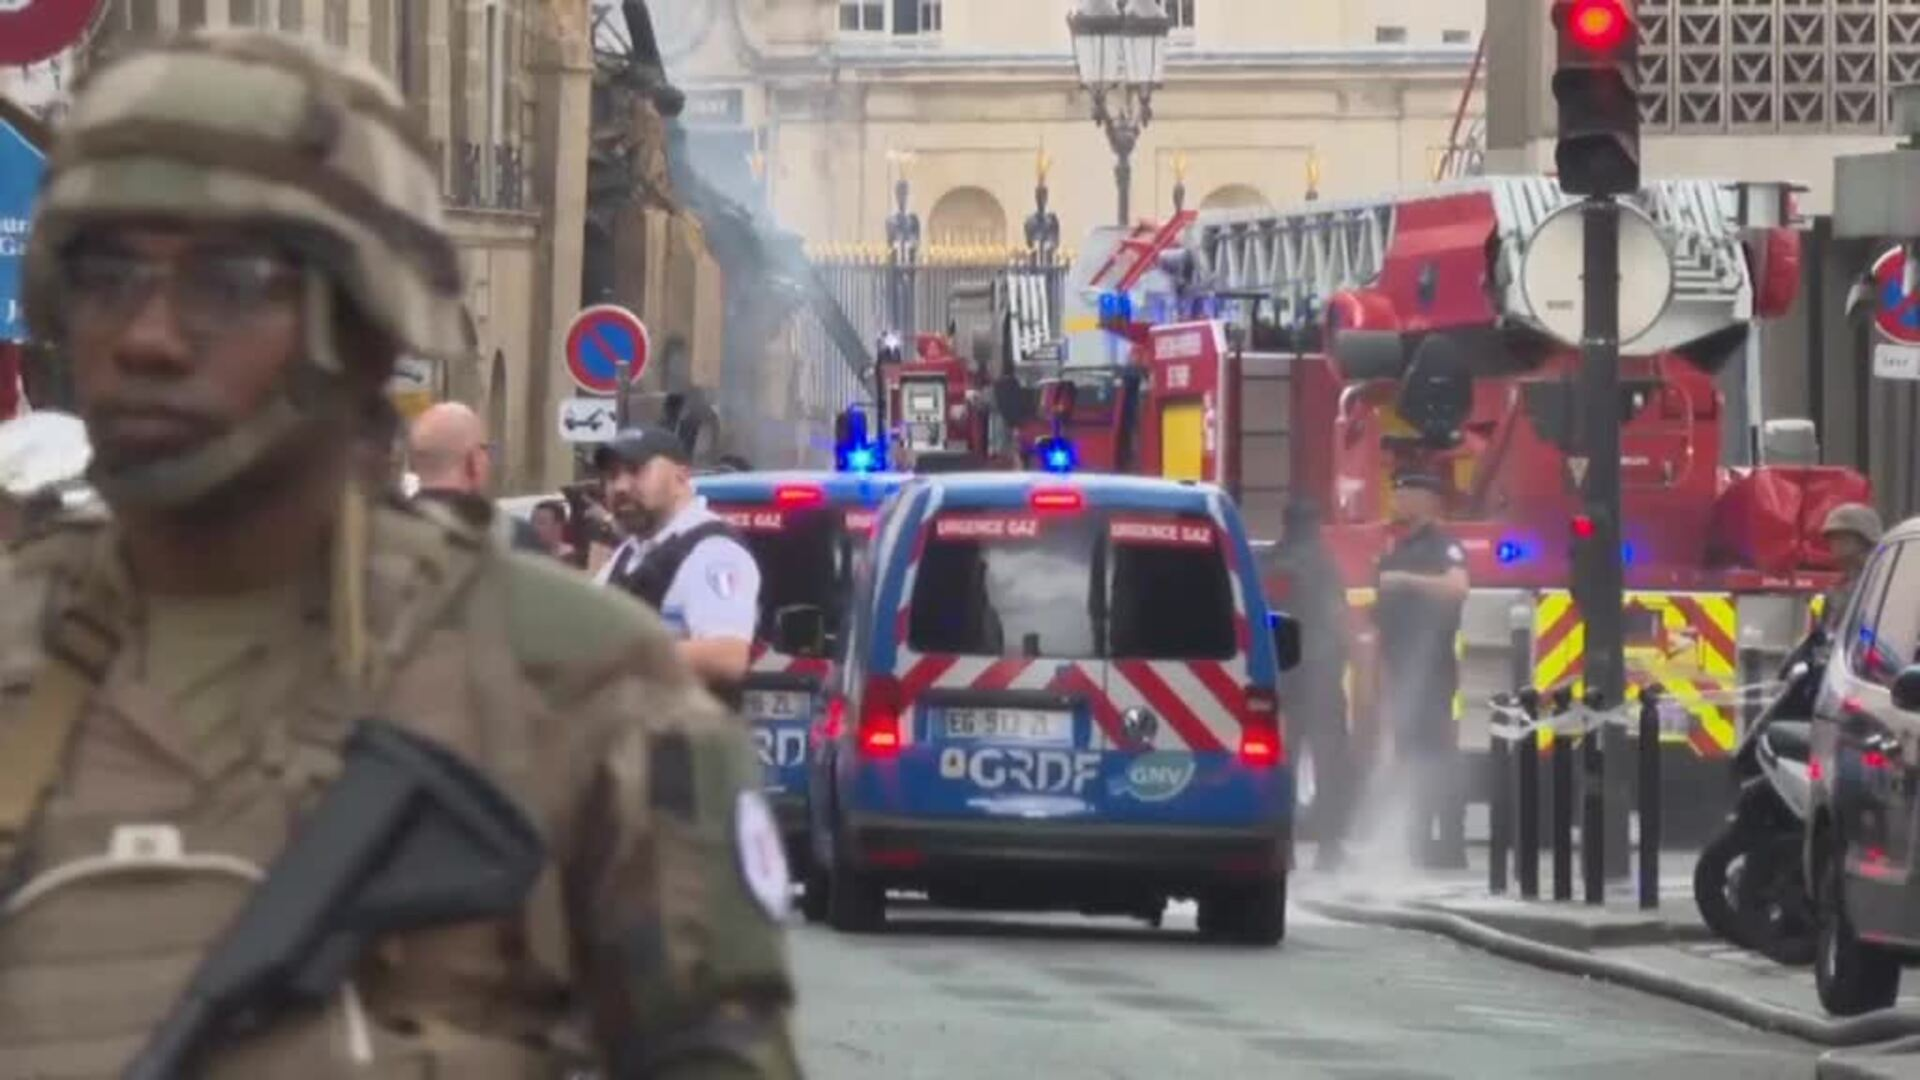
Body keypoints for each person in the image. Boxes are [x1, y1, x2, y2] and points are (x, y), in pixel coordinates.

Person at [2, 30, 801, 1078]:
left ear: (363, 327)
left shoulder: (580, 685)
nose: (147, 336)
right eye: (106, 276)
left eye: (227, 283)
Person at [594, 426, 761, 703]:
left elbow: (727, 657)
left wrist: (619, 659)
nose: (620, 487)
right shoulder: (630, 552)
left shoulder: (713, 551)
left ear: (681, 477)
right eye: (612, 476)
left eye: (636, 470)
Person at [1374, 470, 1471, 870]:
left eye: (1405, 494)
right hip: (1400, 668)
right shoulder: (1398, 549)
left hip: (1431, 670)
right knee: (1409, 755)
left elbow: (1457, 587)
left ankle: (1450, 843)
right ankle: (1416, 840)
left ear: (1426, 500)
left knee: (1437, 754)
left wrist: (1405, 581)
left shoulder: (1443, 546)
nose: (1397, 501)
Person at [1277, 498, 1356, 871]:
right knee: (1329, 759)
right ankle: (1329, 847)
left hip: (1282, 673)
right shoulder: (1324, 563)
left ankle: (1284, 847)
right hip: (1321, 672)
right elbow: (1337, 614)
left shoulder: (1269, 562)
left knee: (1282, 762)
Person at [406, 400, 541, 551]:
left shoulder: (388, 532)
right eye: (485, 449)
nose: (488, 460)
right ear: (473, 461)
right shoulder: (516, 538)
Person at [1817, 502, 1884, 635]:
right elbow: (1828, 630)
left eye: (1841, 537)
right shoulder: (1838, 587)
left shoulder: (1884, 579)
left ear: (1863, 539)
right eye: (1832, 538)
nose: (1834, 544)